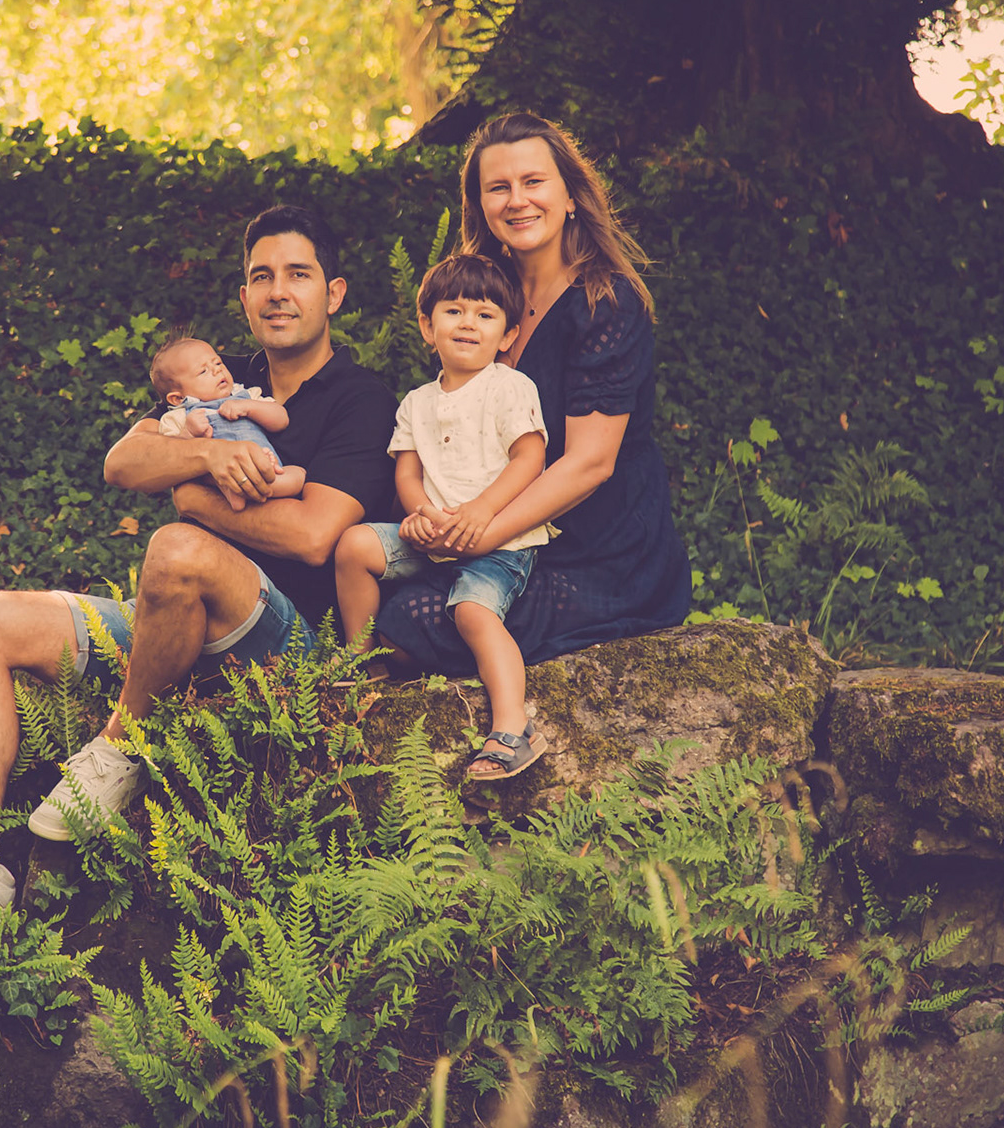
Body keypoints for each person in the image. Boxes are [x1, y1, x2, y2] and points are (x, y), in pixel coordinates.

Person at [0, 205, 396, 909]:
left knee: (178, 544)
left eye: (298, 275)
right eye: (262, 277)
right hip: (174, 616)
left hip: (283, 635)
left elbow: (313, 535)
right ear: (244, 296)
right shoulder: (219, 376)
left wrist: (195, 500)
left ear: (332, 294)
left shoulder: (360, 399)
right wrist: (207, 458)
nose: (278, 292)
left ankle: (118, 747)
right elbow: (124, 462)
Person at [372, 114, 690, 771]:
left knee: (419, 619)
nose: (517, 200)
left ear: (570, 194)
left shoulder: (606, 303)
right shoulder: (485, 293)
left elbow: (590, 463)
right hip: (496, 532)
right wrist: (439, 519)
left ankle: (513, 732)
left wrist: (479, 534)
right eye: (499, 187)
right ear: (480, 205)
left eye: (534, 182)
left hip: (596, 552)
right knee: (385, 593)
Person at [334, 253, 552, 780]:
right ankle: (363, 664)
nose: (468, 323)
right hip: (433, 534)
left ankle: (512, 726)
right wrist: (420, 514)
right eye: (454, 311)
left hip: (500, 541)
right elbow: (408, 473)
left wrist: (482, 511)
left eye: (485, 314)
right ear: (427, 327)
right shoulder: (416, 401)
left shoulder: (509, 386)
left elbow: (530, 458)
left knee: (473, 613)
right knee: (354, 547)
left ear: (508, 334)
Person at [147, 334, 307, 511]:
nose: (217, 371)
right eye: (203, 371)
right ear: (177, 398)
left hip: (265, 465)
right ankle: (237, 488)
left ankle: (244, 491)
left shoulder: (246, 395)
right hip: (222, 475)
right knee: (207, 478)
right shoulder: (179, 417)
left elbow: (281, 420)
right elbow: (171, 457)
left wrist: (248, 407)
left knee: (299, 475)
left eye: (217, 363)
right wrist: (189, 432)